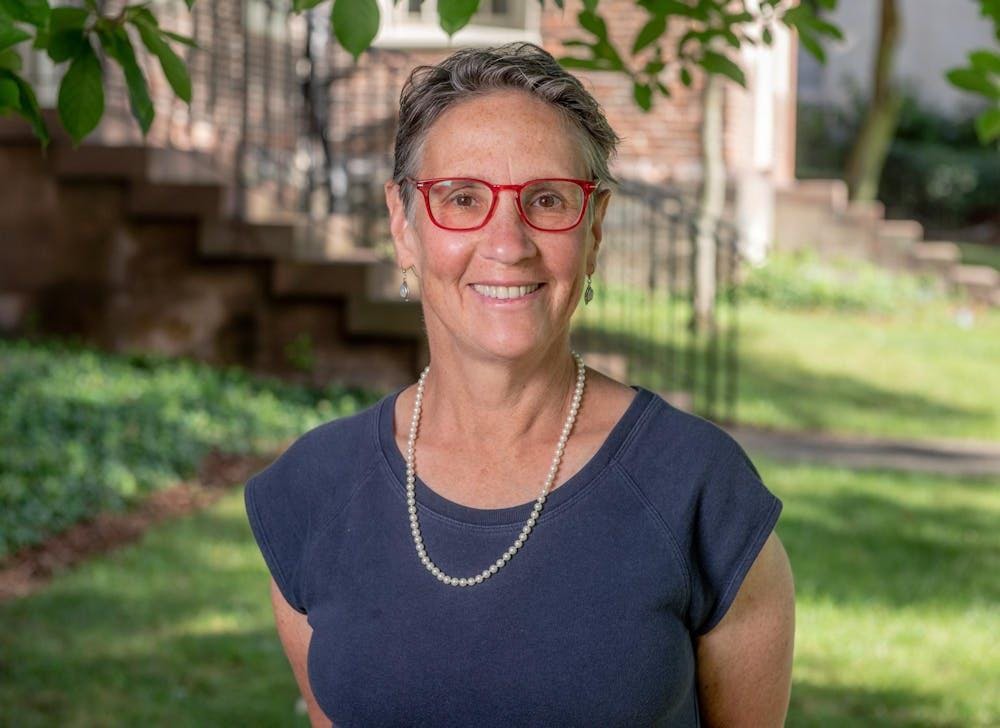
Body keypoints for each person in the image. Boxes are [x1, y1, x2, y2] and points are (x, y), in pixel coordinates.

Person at [245, 43, 795, 727]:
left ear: (594, 228)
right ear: (403, 225)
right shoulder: (311, 493)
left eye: (548, 200)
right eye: (464, 197)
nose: (508, 243)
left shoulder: (699, 492)